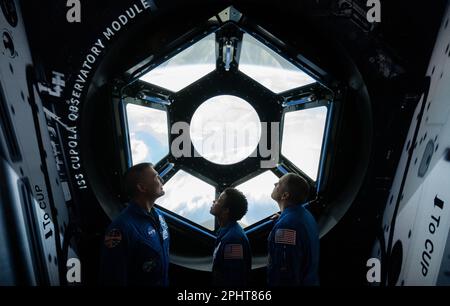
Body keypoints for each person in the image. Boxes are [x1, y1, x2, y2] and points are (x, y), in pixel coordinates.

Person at [99, 162, 170, 286]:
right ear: (142, 188)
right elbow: (113, 279)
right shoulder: (120, 228)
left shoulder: (159, 216)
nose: (161, 179)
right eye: (156, 177)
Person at [267, 173, 319, 286]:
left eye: (279, 184)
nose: (275, 184)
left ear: (285, 195)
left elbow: (284, 272)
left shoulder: (287, 226)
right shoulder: (305, 215)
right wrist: (281, 219)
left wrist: (282, 224)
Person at [210, 188, 252, 286]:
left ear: (226, 210)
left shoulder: (234, 240)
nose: (214, 201)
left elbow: (233, 279)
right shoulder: (224, 230)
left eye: (219, 200)